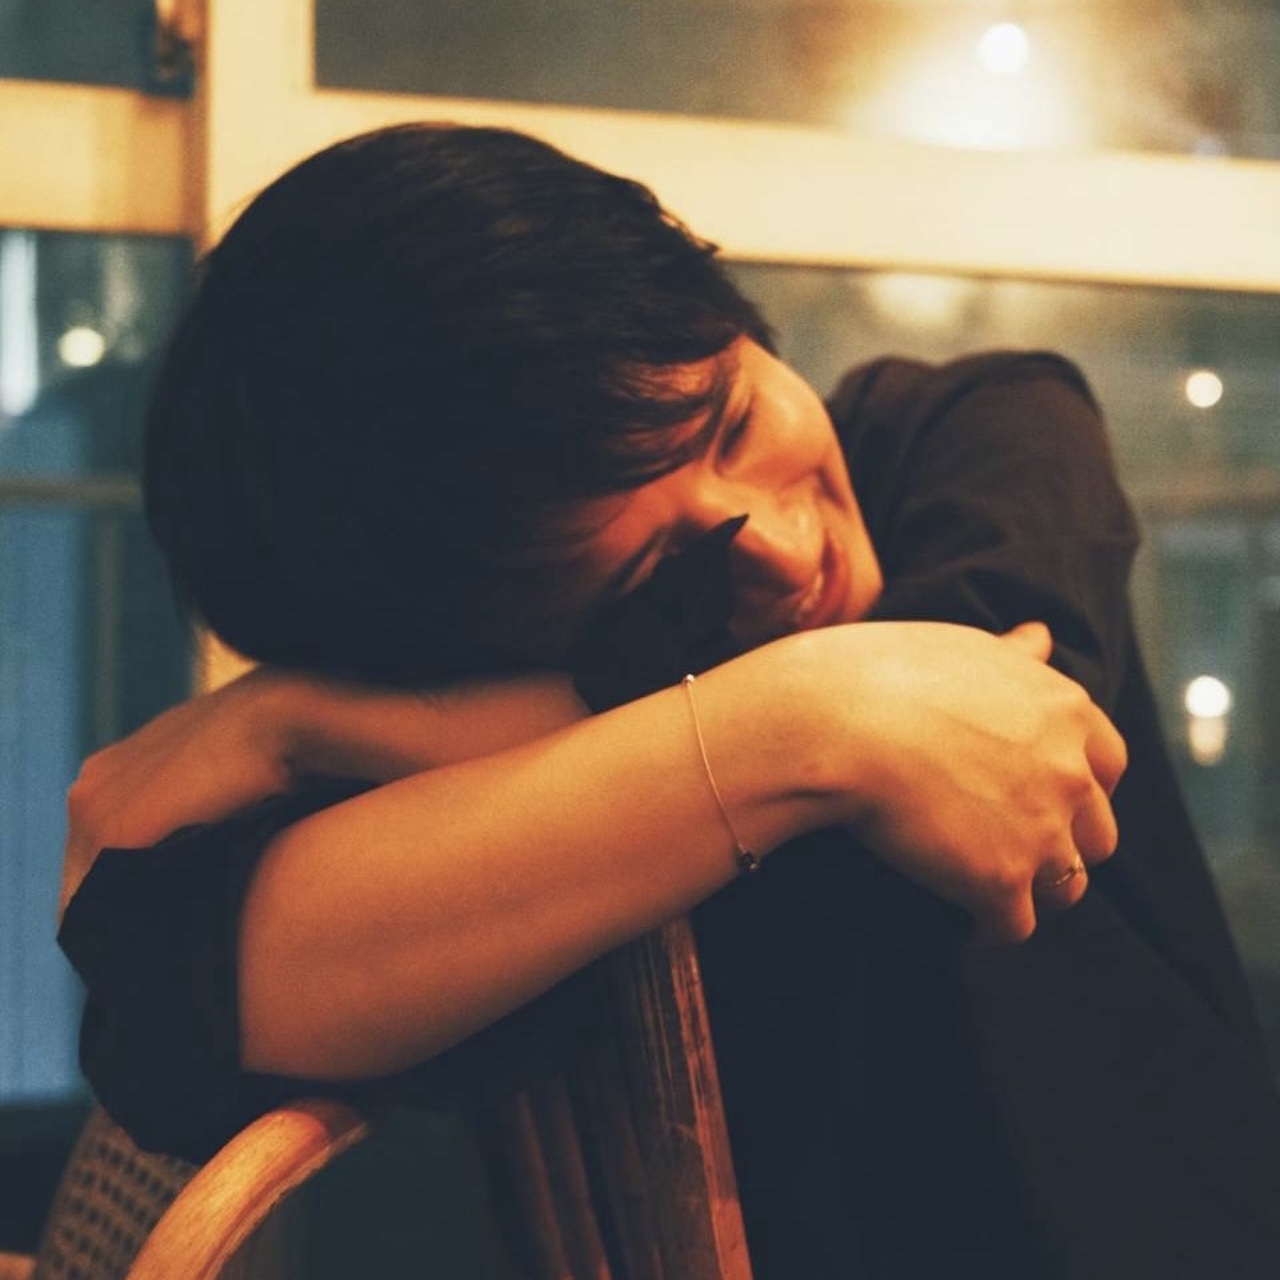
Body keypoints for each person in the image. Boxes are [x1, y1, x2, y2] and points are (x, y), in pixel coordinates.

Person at [58, 124, 1280, 1278]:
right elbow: (170, 1011)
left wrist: (307, 725)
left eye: (732, 419)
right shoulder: (578, 822)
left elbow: (984, 736)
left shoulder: (966, 433)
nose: (782, 550)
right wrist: (809, 721)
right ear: (480, 654)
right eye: (661, 580)